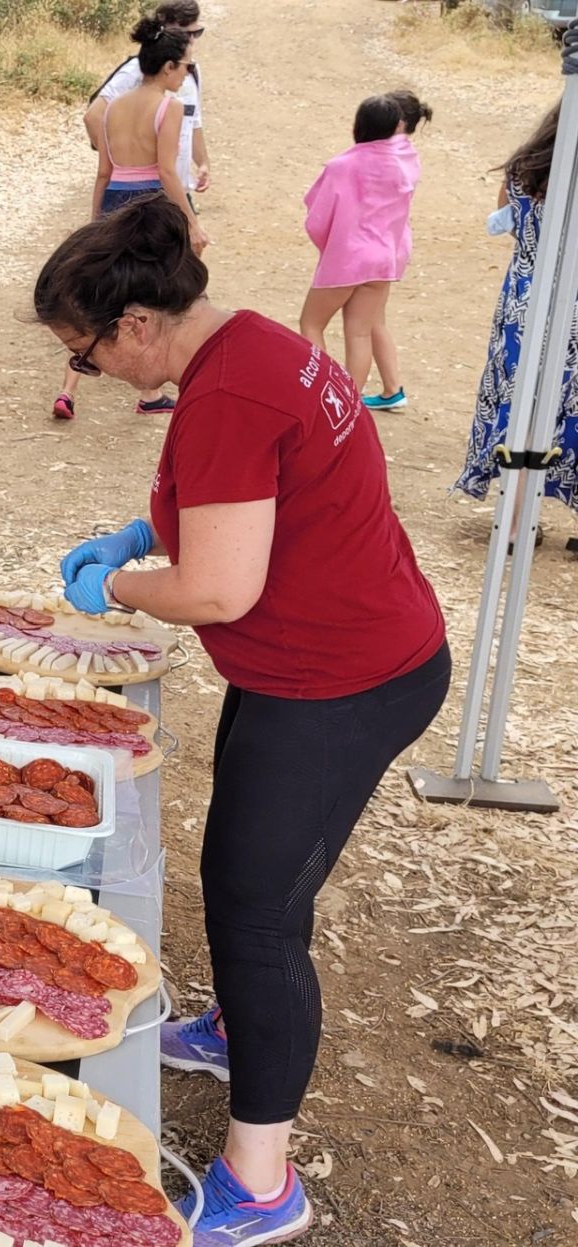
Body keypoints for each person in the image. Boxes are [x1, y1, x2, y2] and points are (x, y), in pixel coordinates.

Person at [36, 197, 449, 1246]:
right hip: (316, 658)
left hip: (346, 675)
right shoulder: (254, 343)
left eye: (84, 356)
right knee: (253, 869)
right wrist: (149, 524)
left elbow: (218, 588)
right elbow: (256, 500)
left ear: (136, 326)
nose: (88, 375)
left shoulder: (226, 394)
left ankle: (264, 1179)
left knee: (255, 906)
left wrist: (126, 583)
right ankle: (236, 1028)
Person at [54, 20, 204, 421]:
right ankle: (158, 389)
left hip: (114, 200)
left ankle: (69, 388)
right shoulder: (168, 107)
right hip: (151, 204)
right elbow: (168, 172)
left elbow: (104, 170)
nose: (187, 73)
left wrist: (94, 223)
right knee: (158, 295)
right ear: (168, 67)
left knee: (97, 295)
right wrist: (191, 221)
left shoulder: (112, 107)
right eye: (185, 66)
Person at [456, 104, 578, 541]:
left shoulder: (525, 169)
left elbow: (504, 224)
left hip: (525, 301)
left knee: (522, 403)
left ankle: (513, 522)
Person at [299, 91, 432, 411]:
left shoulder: (343, 165)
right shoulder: (405, 159)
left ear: (358, 126)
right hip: (384, 257)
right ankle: (348, 402)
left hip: (349, 258)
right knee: (360, 332)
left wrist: (330, 249)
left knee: (311, 324)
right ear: (397, 127)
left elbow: (317, 218)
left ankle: (319, 398)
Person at [93, 1, 211, 201]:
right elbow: (94, 115)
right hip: (152, 191)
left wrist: (203, 162)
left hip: (177, 189)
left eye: (196, 33)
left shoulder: (190, 71)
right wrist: (125, 161)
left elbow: (193, 121)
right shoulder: (136, 70)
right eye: (185, 33)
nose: (191, 40)